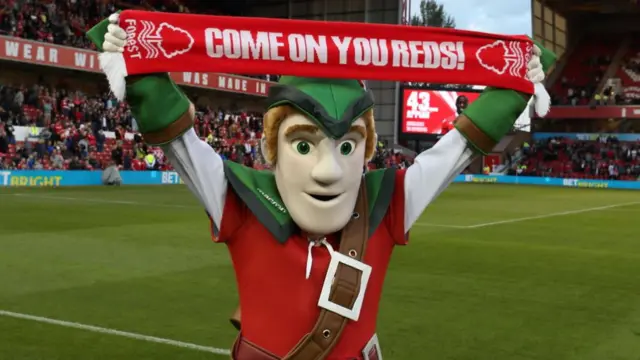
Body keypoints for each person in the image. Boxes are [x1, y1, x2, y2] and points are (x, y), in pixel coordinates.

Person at [94, 13, 555, 359]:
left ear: (367, 149)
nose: (328, 171)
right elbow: (180, 141)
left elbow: (456, 149)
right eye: (302, 145)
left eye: (349, 147)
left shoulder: (385, 200)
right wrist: (139, 63)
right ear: (273, 146)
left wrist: (517, 85)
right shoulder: (239, 197)